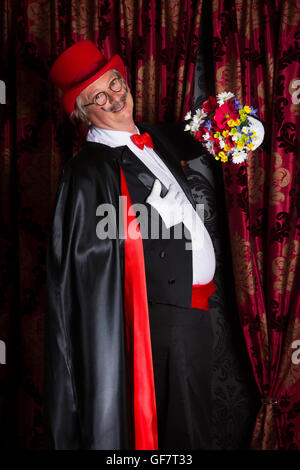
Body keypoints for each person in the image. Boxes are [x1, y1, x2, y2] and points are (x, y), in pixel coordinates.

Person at [44, 40, 263, 450]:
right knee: (184, 433)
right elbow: (87, 260)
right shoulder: (88, 169)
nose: (114, 97)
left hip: (197, 310)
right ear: (82, 113)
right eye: (98, 97)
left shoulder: (154, 139)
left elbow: (223, 135)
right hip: (161, 319)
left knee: (191, 421)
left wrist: (239, 123)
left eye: (114, 84)